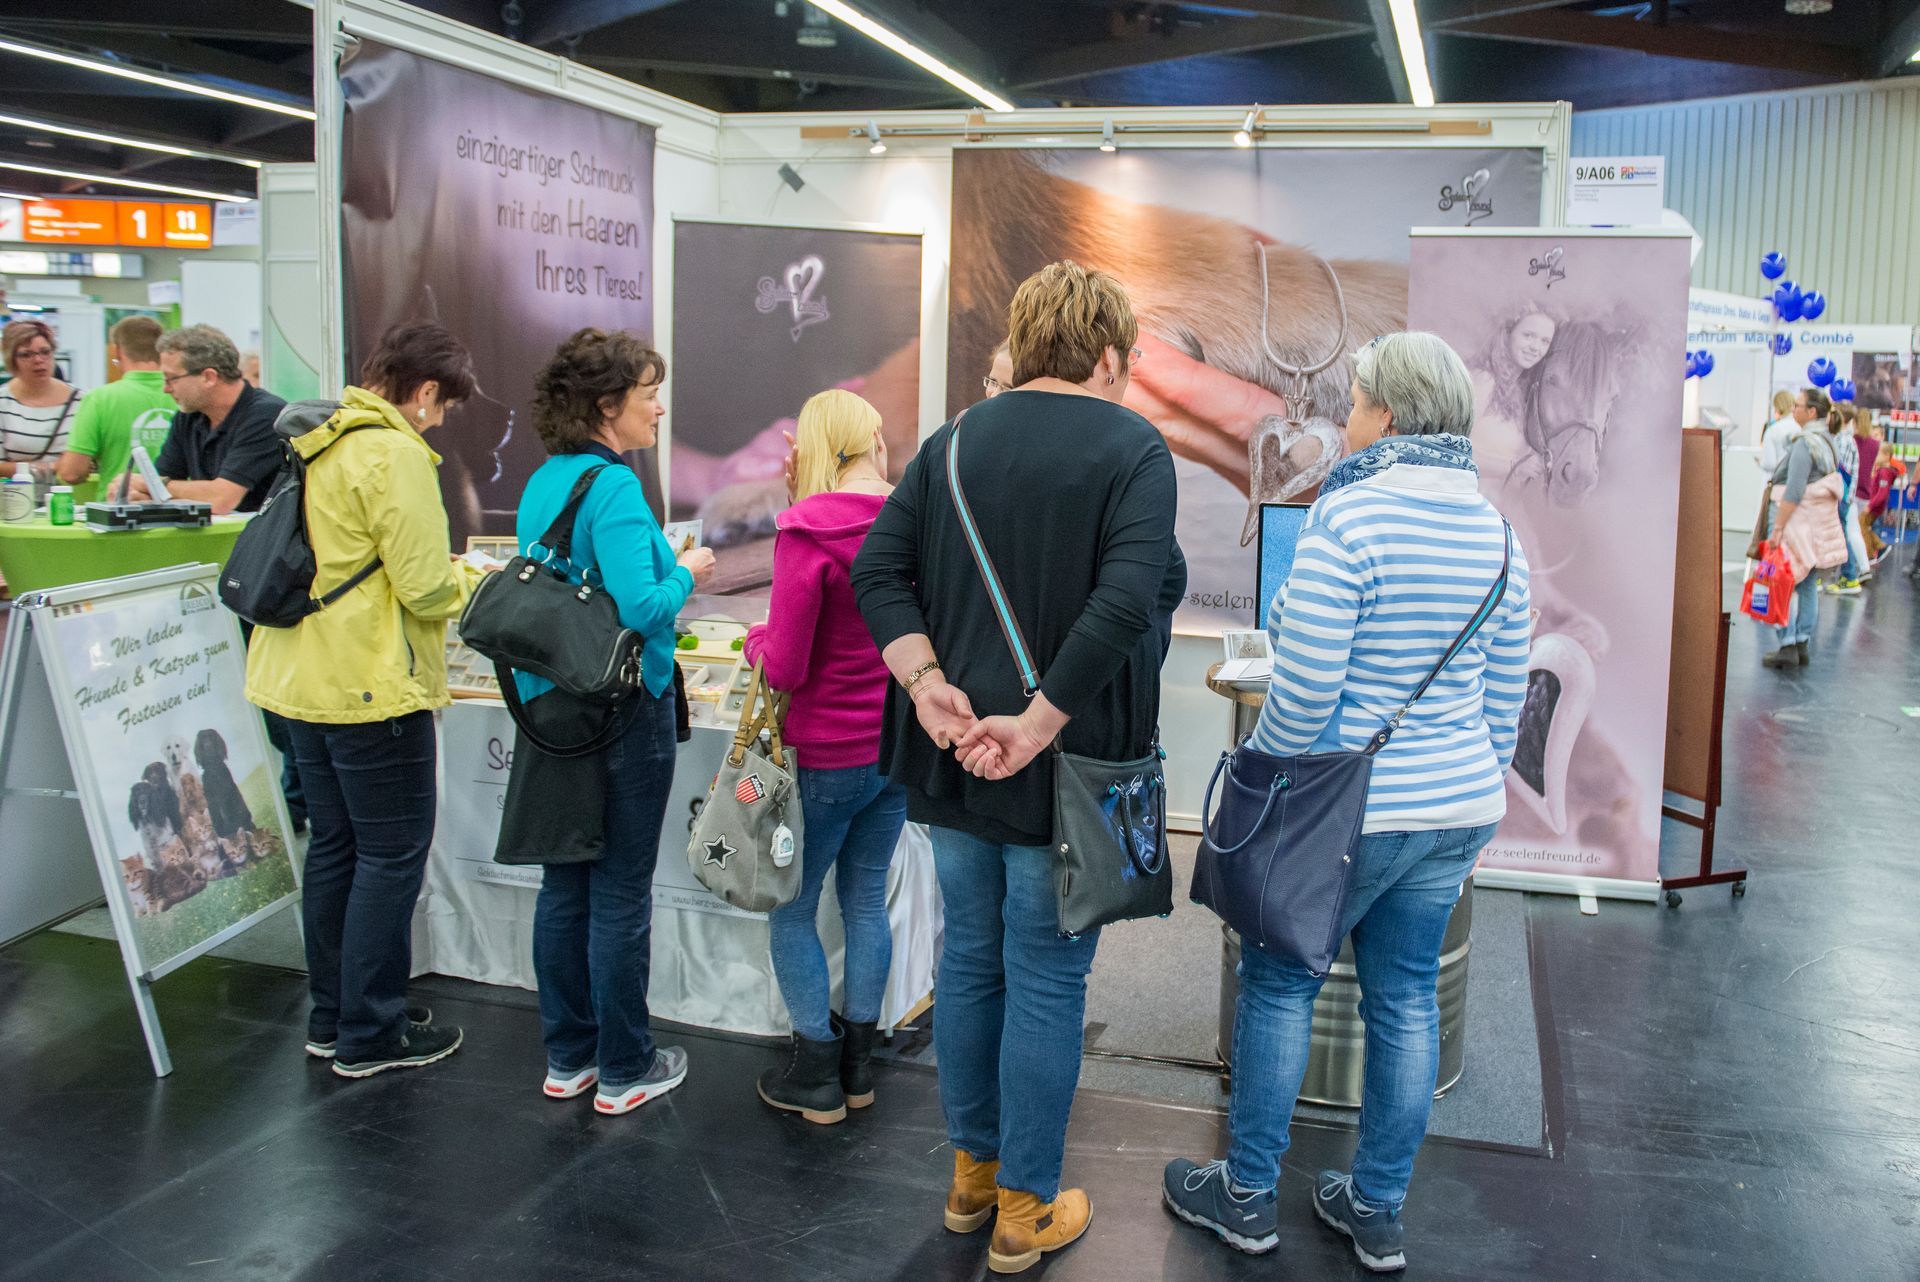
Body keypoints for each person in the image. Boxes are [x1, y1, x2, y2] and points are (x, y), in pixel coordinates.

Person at [1162, 331, 1532, 1274]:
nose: (1350, 411)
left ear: (1391, 415)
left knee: (1281, 983)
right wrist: (1466, 802)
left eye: (1359, 396)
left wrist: (1271, 771)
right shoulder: (1498, 536)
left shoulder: (1350, 518)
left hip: (1348, 811)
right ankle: (1375, 1211)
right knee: (1407, 1000)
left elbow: (1304, 697)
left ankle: (1246, 1198)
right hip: (1454, 810)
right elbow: (1504, 700)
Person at [853, 260, 1185, 1275]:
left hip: (954, 759)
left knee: (969, 959)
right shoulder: (1134, 447)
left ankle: (972, 1179)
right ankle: (1025, 1208)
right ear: (1111, 353)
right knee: (1045, 973)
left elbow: (879, 569)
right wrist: (1039, 723)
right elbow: (1127, 600)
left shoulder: (954, 441)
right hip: (1066, 764)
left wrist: (926, 683)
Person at [245, 321, 482, 1077]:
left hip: (297, 677)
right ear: (423, 391)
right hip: (369, 684)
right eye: (441, 407)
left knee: (338, 849)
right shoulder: (394, 452)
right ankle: (372, 1031)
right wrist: (477, 578)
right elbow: (424, 588)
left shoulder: (319, 434)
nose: (438, 422)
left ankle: (335, 1014)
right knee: (389, 856)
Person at [516, 329, 715, 1116]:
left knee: (564, 882)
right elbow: (644, 608)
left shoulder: (545, 481)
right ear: (608, 405)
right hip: (624, 709)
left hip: (554, 703)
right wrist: (686, 571)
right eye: (648, 392)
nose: (660, 406)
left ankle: (570, 1058)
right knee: (622, 890)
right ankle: (628, 1064)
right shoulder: (617, 488)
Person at [746, 388, 907, 1126]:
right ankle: (860, 1066)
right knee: (866, 898)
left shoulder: (806, 531)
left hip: (822, 759)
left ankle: (815, 1073)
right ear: (872, 442)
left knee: (792, 908)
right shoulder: (912, 524)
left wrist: (754, 641)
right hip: (894, 751)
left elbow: (782, 666)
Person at [131, 325, 286, 515]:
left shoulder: (266, 415)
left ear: (209, 377)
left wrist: (155, 486)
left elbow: (222, 499)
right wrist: (141, 490)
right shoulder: (188, 417)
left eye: (171, 378)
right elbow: (153, 486)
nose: (166, 389)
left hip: (265, 540)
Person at [1760, 388, 1842, 669]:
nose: (1793, 409)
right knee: (1807, 583)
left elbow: (1793, 491)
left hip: (1795, 524)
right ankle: (1801, 642)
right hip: (1814, 526)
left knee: (1780, 581)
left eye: (1798, 405)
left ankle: (1786, 644)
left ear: (1812, 412)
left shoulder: (1804, 444)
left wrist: (1778, 528)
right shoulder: (1829, 442)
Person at [56, 316, 176, 486]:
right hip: (181, 506)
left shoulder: (99, 399)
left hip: (120, 507)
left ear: (117, 351)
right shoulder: (184, 394)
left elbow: (71, 473)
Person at [0, 319, 80, 479]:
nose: (38, 360)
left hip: (71, 497)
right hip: (18, 498)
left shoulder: (81, 400)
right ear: (12, 360)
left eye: (45, 352)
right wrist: (52, 466)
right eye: (26, 354)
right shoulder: (3, 402)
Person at [1822, 407, 1867, 594]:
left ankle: (1849, 577)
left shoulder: (1843, 440)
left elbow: (1840, 473)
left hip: (1840, 497)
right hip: (1842, 496)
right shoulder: (1842, 439)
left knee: (1841, 536)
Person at [1759, 389, 1798, 475]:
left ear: (1776, 407)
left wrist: (1760, 463)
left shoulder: (1772, 430)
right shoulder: (1801, 428)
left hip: (1777, 479)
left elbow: (1770, 464)